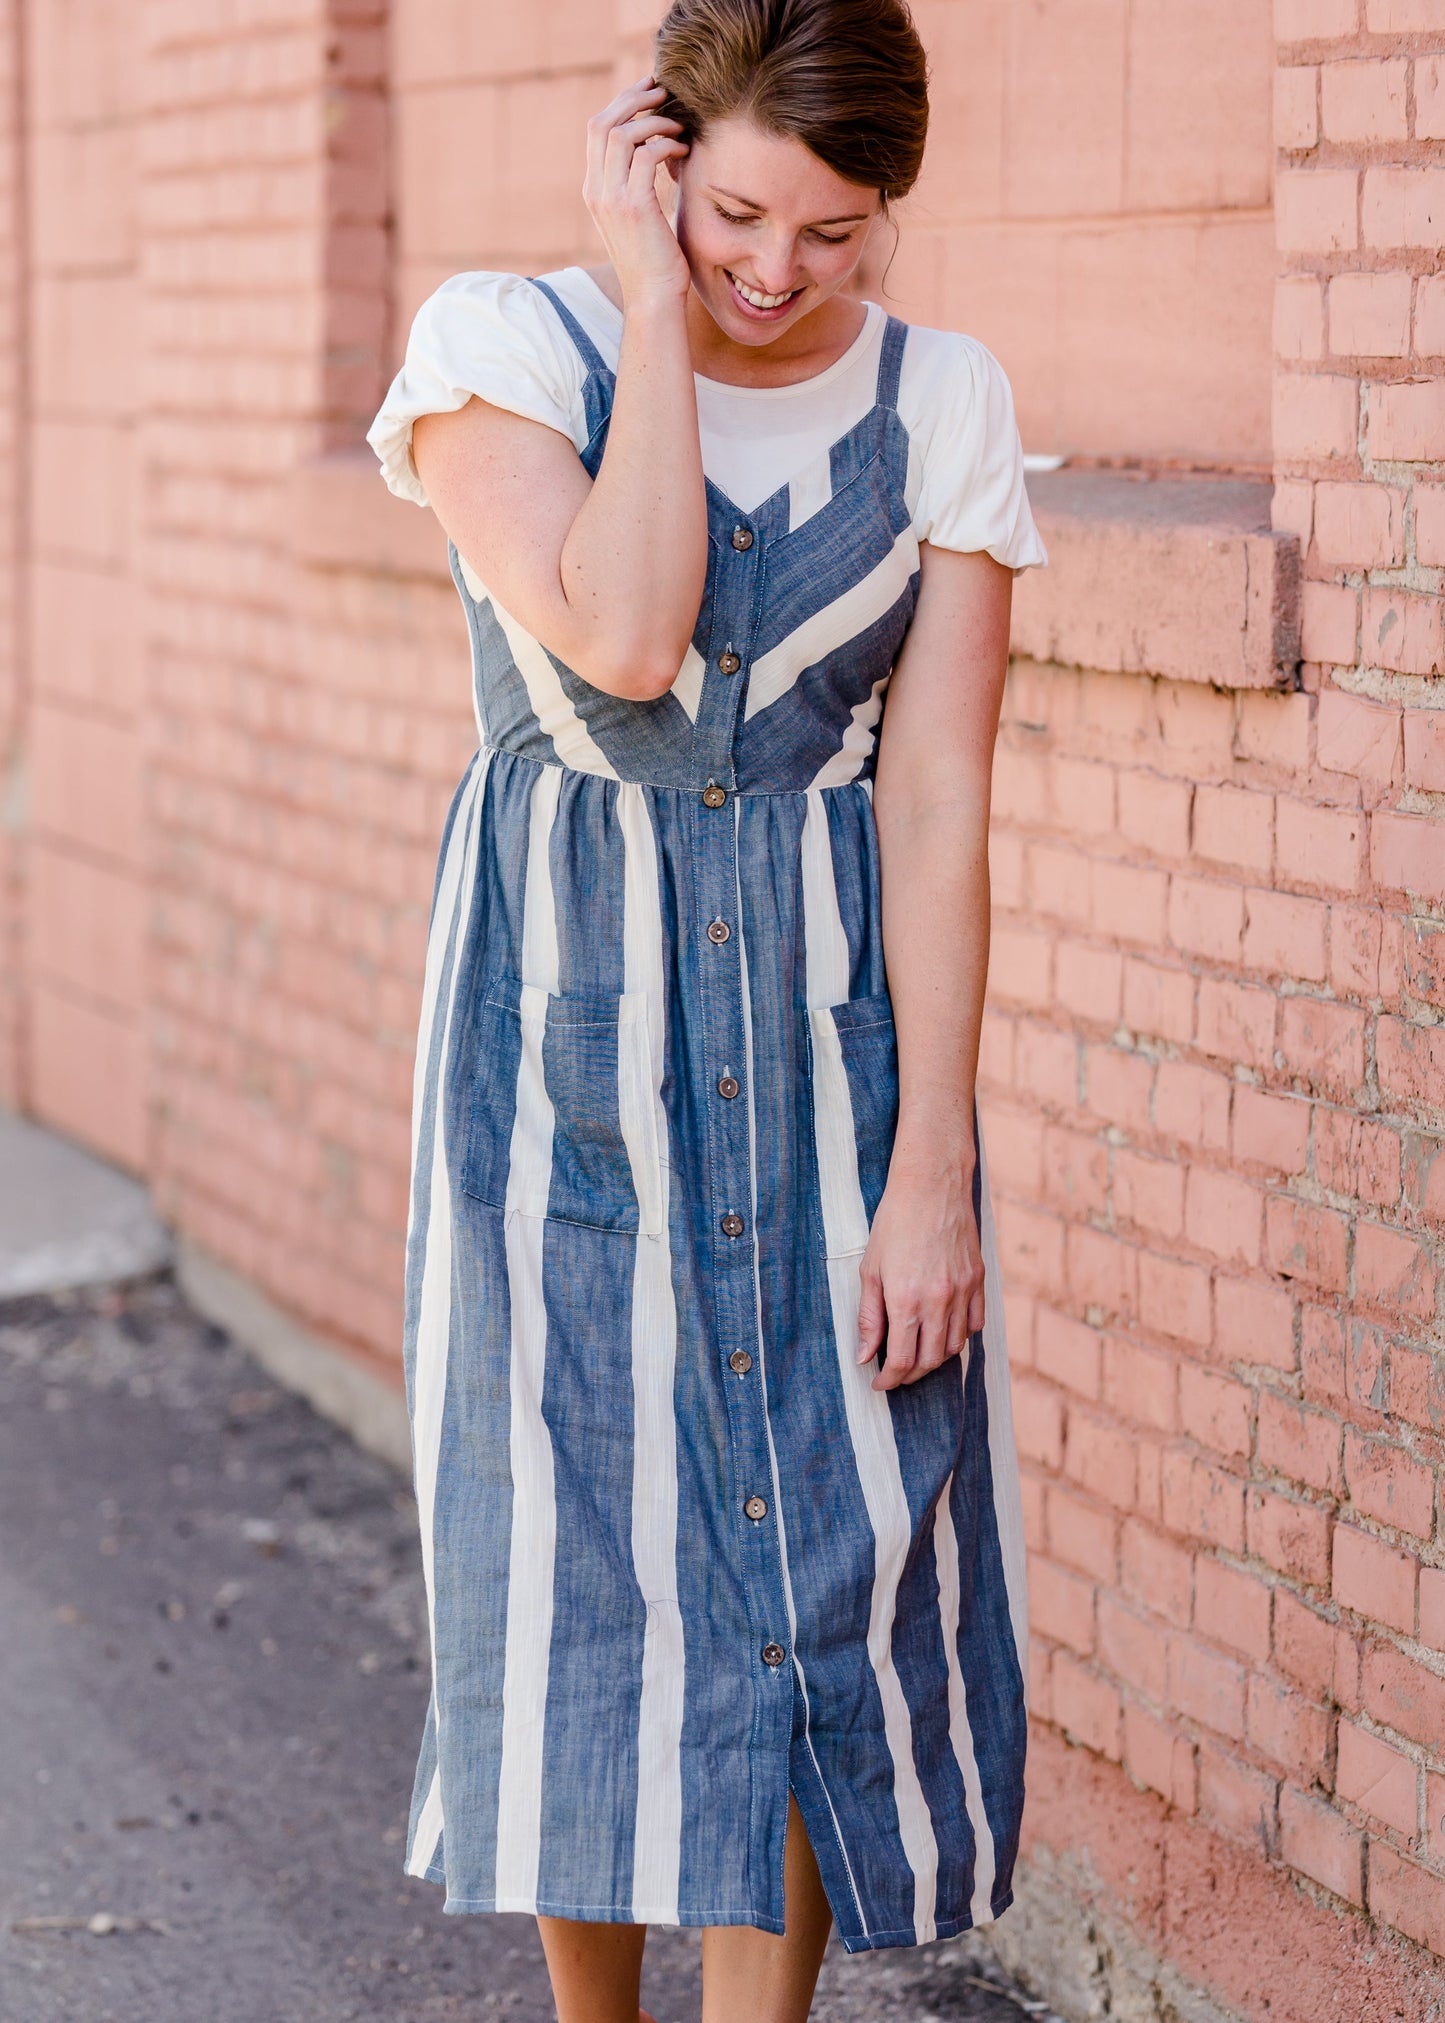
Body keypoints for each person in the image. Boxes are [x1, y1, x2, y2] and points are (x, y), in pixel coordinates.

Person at [367, 2, 1047, 2017]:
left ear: (892, 216)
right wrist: (647, 320)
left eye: (834, 233)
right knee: (591, 1575)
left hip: (829, 1046)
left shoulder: (947, 404)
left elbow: (932, 795)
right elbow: (631, 628)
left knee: (812, 1584)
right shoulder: (504, 349)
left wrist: (934, 1166)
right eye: (737, 212)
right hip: (557, 1043)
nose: (774, 270)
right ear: (659, 162)